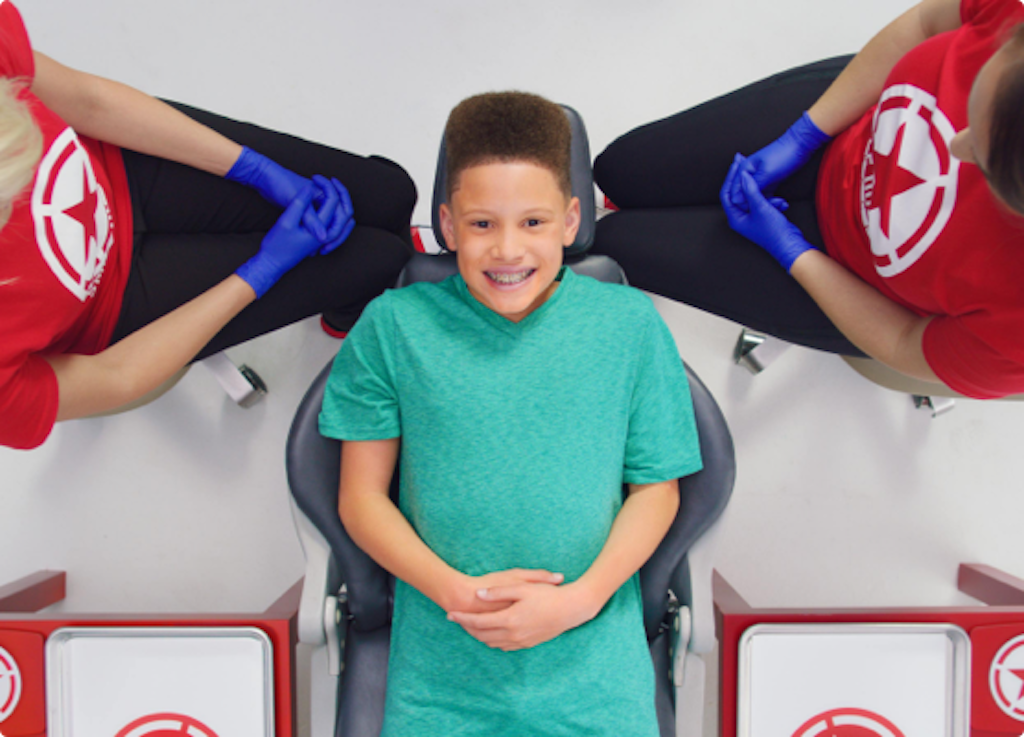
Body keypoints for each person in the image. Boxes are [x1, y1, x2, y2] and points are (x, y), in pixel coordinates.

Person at [318, 92, 703, 736]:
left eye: (532, 223)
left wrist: (578, 601)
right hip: (443, 681)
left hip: (594, 673)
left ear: (571, 220)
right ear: (446, 223)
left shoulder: (630, 325)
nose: (506, 250)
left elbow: (656, 491)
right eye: (480, 224)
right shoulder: (393, 326)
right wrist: (454, 592)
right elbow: (361, 500)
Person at [0, 0, 416, 450]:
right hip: (111, 306)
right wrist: (259, 272)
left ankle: (362, 285)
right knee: (377, 259)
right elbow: (114, 376)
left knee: (391, 194)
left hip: (122, 162)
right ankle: (349, 307)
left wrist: (252, 168)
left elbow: (89, 103)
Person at [592, 0, 1024, 399]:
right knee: (618, 168)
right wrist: (805, 134)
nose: (956, 146)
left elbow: (904, 342)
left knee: (610, 244)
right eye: (971, 109)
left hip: (842, 276)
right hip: (846, 120)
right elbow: (925, 23)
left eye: (984, 166)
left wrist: (792, 251)